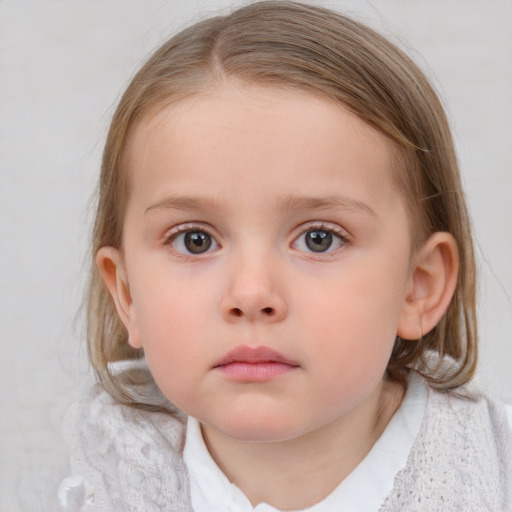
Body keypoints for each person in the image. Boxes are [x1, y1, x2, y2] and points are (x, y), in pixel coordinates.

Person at [58, 1, 512, 511]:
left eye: (319, 238)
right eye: (195, 240)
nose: (251, 294)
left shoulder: (491, 477)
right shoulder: (107, 479)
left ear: (419, 285)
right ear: (126, 294)